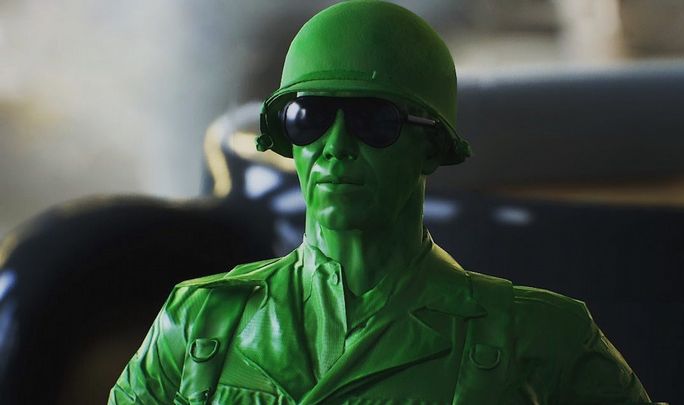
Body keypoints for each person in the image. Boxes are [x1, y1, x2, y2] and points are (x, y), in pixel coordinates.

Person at [110, 1, 656, 404]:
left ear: (431, 147)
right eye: (309, 118)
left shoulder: (539, 339)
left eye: (374, 122)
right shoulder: (200, 323)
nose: (336, 147)